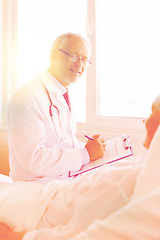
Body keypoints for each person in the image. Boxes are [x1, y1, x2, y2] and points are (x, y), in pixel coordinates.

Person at [1, 94, 160, 240]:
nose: (145, 120)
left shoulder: (124, 183)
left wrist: (15, 237)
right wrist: (87, 151)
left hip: (37, 207)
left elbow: (73, 234)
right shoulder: (140, 169)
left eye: (151, 112)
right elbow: (43, 154)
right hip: (42, 192)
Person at [7, 33, 106, 183]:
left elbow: (61, 143)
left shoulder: (63, 93)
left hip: (61, 184)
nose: (80, 64)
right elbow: (33, 159)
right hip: (34, 190)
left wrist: (88, 148)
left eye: (84, 59)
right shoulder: (27, 96)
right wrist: (85, 154)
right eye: (73, 56)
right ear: (54, 56)